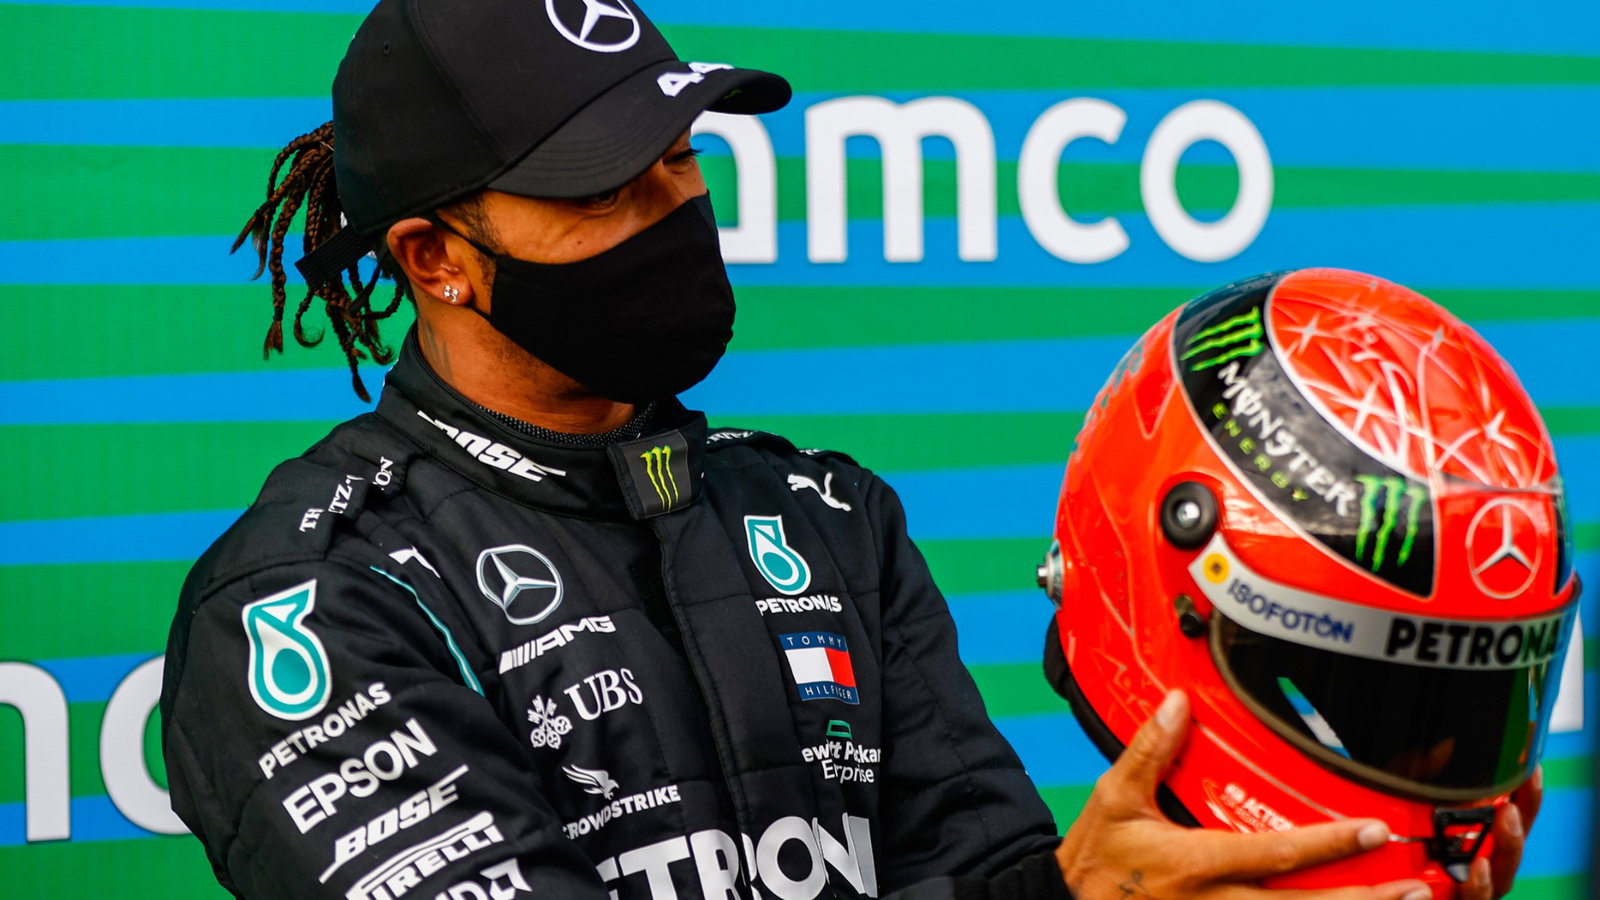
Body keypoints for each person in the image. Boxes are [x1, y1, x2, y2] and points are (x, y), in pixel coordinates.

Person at [158, 2, 1530, 898]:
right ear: (435, 259)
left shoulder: (821, 513)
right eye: (602, 190)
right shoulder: (315, 605)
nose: (671, 207)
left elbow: (984, 871)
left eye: (679, 156)